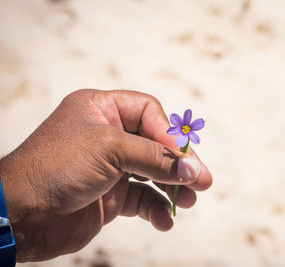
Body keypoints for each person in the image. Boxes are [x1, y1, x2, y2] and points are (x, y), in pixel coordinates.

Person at [0, 89, 213, 263]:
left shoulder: (186, 131)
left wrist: (17, 216)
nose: (185, 128)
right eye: (183, 128)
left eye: (186, 128)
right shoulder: (178, 131)